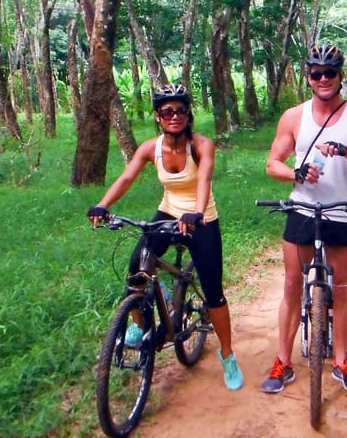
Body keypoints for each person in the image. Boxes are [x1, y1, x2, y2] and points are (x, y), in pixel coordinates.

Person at [87, 83, 243, 391]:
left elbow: (205, 180)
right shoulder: (150, 148)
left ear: (188, 114)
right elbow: (127, 177)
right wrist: (103, 204)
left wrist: (197, 213)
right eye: (167, 111)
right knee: (136, 271)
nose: (175, 116)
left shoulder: (200, 145)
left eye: (181, 110)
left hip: (202, 220)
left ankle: (228, 355)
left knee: (214, 294)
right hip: (168, 212)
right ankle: (140, 326)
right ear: (158, 116)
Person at [261, 44, 347, 394]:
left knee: (341, 291)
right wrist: (296, 174)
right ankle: (283, 362)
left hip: (343, 213)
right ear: (308, 77)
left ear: (340, 76)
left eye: (329, 72)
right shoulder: (293, 117)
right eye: (316, 73)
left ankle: (341, 360)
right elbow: (272, 163)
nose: (323, 79)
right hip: (302, 211)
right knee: (291, 287)